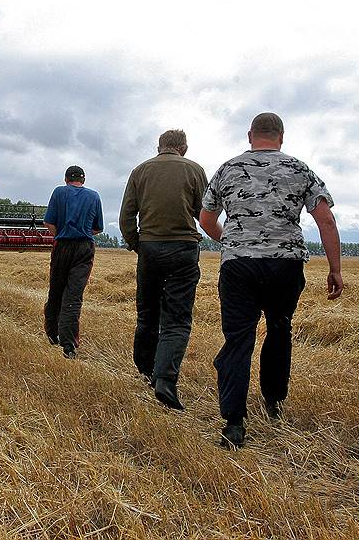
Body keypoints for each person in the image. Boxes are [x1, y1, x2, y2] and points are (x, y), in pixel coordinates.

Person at [199, 112, 343, 448]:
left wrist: (231, 242)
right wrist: (335, 269)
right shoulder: (299, 169)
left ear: (250, 135)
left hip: (240, 267)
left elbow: (206, 219)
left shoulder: (228, 169)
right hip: (285, 266)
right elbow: (326, 221)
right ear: (281, 136)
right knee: (279, 329)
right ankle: (274, 401)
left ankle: (234, 423)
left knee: (238, 338)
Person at [119, 129, 208, 410]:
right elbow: (203, 213)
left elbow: (125, 217)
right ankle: (165, 380)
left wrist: (138, 244)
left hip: (150, 248)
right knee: (177, 319)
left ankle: (146, 369)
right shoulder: (194, 170)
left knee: (147, 313)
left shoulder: (140, 171)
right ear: (184, 147)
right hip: (183, 249)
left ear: (159, 147)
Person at [43, 165, 105, 359]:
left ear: (66, 179)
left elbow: (48, 223)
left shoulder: (59, 192)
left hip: (62, 246)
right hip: (84, 249)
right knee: (73, 295)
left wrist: (61, 235)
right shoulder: (94, 196)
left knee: (56, 290)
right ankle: (69, 346)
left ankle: (53, 334)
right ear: (83, 180)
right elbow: (98, 228)